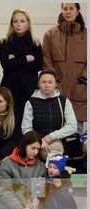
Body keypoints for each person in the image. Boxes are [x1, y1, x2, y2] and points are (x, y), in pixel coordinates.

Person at [42, 3, 87, 134]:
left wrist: (84, 78)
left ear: (77, 11)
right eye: (65, 8)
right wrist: (53, 80)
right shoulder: (51, 34)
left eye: (71, 8)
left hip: (78, 90)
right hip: (57, 89)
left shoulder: (86, 35)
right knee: (55, 134)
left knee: (75, 133)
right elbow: (46, 60)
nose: (68, 12)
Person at [0, 9, 43, 123]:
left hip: (29, 86)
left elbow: (38, 65)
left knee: (28, 119)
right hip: (10, 86)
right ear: (11, 24)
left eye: (22, 21)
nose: (18, 24)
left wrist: (15, 60)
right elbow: (6, 65)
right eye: (15, 21)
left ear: (28, 24)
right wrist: (26, 58)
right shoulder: (5, 42)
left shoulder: (35, 42)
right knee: (9, 120)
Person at [21, 69, 78, 156]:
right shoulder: (30, 102)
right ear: (38, 84)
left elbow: (72, 126)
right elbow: (26, 129)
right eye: (43, 82)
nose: (47, 85)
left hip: (57, 141)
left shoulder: (64, 101)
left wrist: (50, 137)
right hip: (35, 142)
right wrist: (39, 141)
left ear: (55, 84)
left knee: (55, 147)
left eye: (50, 82)